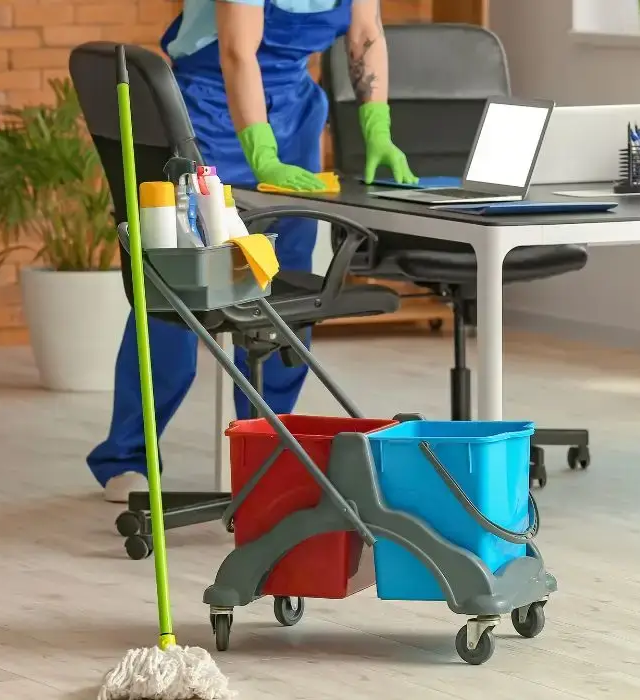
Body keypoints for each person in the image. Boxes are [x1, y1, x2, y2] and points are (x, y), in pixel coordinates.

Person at [88, 0, 418, 502]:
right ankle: (127, 455)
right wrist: (261, 155)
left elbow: (366, 33)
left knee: (287, 286)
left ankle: (268, 448)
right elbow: (237, 53)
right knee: (177, 289)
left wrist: (378, 127)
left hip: (293, 116)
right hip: (205, 113)